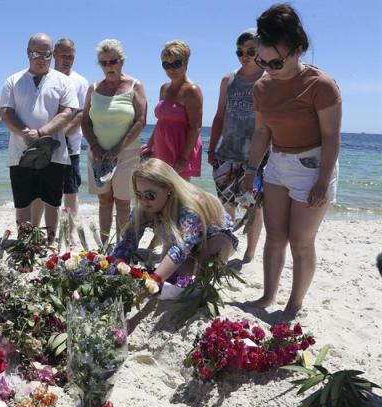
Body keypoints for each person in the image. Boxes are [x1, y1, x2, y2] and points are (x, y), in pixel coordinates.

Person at [241, 4, 341, 317]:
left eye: (275, 62)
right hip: (277, 166)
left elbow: (331, 138)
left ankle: (294, 303)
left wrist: (323, 181)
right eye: (261, 60)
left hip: (313, 167)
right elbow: (261, 133)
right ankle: (267, 296)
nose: (268, 68)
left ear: (298, 50)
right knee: (275, 237)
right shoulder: (262, 87)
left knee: (300, 241)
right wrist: (250, 168)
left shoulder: (321, 85)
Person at [0, 33, 79, 243]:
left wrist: (41, 133)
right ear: (28, 53)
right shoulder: (13, 80)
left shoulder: (63, 81)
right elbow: (6, 113)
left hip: (55, 152)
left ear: (52, 55)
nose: (41, 58)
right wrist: (25, 132)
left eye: (46, 54)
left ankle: (51, 241)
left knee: (52, 200)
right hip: (20, 152)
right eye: (36, 53)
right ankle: (25, 243)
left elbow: (67, 113)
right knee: (23, 200)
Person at [112, 159, 238, 284]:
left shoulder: (190, 208)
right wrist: (119, 263)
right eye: (139, 195)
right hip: (184, 244)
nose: (144, 200)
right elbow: (129, 240)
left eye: (150, 195)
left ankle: (204, 275)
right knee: (175, 279)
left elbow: (181, 248)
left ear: (169, 189)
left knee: (198, 276)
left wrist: (154, 280)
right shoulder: (144, 208)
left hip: (215, 239)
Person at [81, 39, 147, 247]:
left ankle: (123, 247)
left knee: (124, 202)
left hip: (127, 154)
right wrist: (94, 146)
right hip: (97, 155)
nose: (108, 67)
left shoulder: (135, 86)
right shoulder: (93, 88)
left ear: (122, 61)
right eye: (103, 63)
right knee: (104, 201)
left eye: (113, 61)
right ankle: (104, 246)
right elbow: (85, 121)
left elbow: (141, 120)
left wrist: (120, 147)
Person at [208, 29, 265, 265]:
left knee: (254, 208)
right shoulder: (228, 80)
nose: (245, 56)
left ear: (260, 50)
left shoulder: (268, 78)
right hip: (227, 153)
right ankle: (226, 249)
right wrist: (211, 149)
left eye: (250, 51)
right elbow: (219, 116)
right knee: (227, 206)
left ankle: (250, 254)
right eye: (240, 51)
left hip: (257, 158)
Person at [33, 38, 90, 245]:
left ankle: (72, 230)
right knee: (40, 189)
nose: (67, 60)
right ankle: (36, 229)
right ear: (54, 55)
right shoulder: (45, 77)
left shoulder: (81, 81)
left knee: (71, 189)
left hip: (70, 145)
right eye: (64, 56)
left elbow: (81, 113)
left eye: (71, 56)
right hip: (44, 144)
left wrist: (61, 132)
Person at [146, 40, 202, 181]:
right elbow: (160, 121)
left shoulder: (192, 90)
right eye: (166, 65)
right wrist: (149, 145)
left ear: (186, 62)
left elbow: (196, 127)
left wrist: (183, 158)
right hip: (161, 143)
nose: (171, 69)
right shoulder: (164, 88)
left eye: (176, 64)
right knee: (160, 191)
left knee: (179, 194)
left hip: (180, 146)